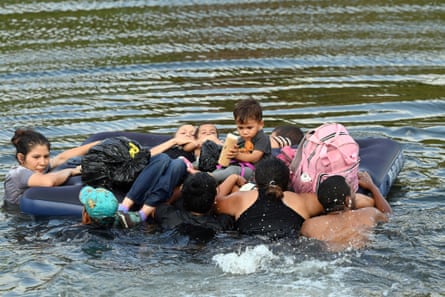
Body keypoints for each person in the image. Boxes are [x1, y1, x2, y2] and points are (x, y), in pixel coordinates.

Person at [215, 158, 324, 239]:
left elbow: (213, 201)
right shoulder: (302, 200)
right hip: (291, 249)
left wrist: (232, 178)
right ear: (288, 182)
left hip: (250, 250)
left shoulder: (241, 199)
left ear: (256, 182)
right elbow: (332, 202)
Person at [3, 129, 100, 206]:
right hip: (18, 217)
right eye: (36, 157)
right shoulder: (19, 173)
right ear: (21, 158)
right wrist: (71, 171)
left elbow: (62, 157)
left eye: (46, 156)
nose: (43, 162)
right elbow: (48, 182)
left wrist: (100, 143)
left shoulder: (39, 167)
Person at [300, 172, 392, 252]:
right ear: (348, 201)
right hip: (361, 255)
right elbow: (388, 215)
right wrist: (372, 187)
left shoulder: (309, 226)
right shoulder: (368, 213)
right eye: (353, 193)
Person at [151, 172, 235, 241]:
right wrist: (234, 180)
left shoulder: (167, 214)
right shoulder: (222, 223)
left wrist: (181, 189)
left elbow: (159, 203)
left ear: (182, 192)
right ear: (214, 200)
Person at [211, 99, 272, 183]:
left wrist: (237, 155)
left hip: (257, 172)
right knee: (222, 167)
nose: (245, 132)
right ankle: (207, 176)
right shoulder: (240, 139)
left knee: (233, 170)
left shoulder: (262, 138)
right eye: (240, 128)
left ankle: (210, 178)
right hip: (242, 166)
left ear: (260, 124)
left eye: (249, 128)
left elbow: (254, 158)